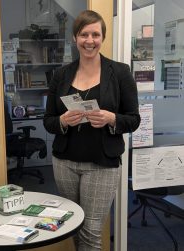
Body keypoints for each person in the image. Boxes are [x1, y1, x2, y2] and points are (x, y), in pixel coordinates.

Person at [43, 10, 140, 251]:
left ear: (103, 37)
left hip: (102, 164)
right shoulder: (61, 74)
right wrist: (64, 121)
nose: (90, 40)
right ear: (75, 38)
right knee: (74, 225)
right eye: (84, 34)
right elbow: (48, 120)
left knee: (91, 230)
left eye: (95, 34)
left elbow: (134, 119)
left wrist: (111, 118)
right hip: (64, 162)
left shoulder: (119, 72)